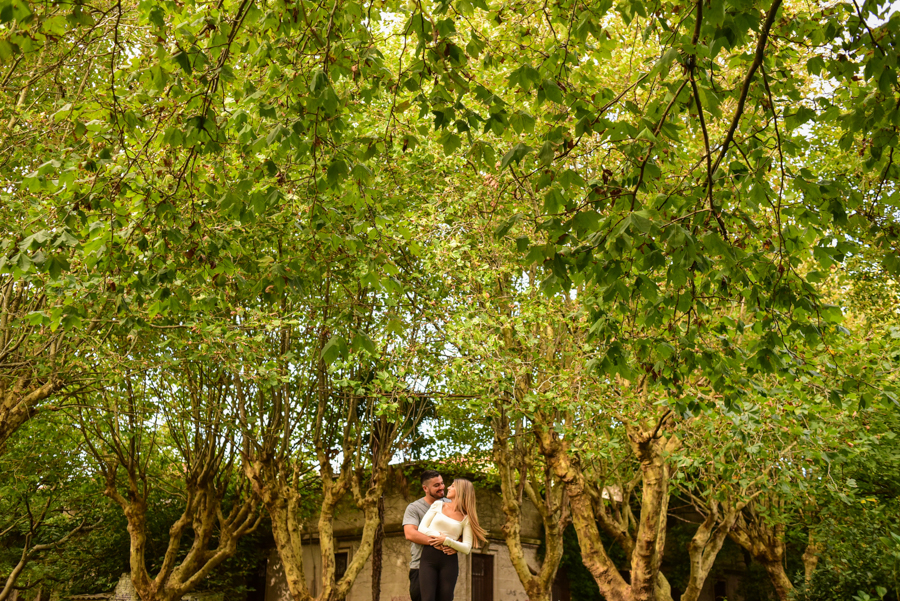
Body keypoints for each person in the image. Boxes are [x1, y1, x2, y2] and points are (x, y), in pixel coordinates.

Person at [416, 478, 488, 601]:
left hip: (448, 561)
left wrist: (446, 540)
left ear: (461, 491)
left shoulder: (466, 518)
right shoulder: (438, 505)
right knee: (427, 598)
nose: (448, 488)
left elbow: (466, 548)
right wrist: (438, 537)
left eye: (452, 486)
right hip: (429, 558)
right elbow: (422, 528)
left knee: (446, 598)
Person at [403, 470, 452, 601]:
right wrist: (438, 542)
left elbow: (463, 530)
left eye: (442, 483)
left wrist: (455, 544)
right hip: (419, 568)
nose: (442, 487)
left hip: (445, 567)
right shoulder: (414, 508)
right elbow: (410, 533)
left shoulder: (451, 505)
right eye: (436, 485)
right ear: (425, 488)